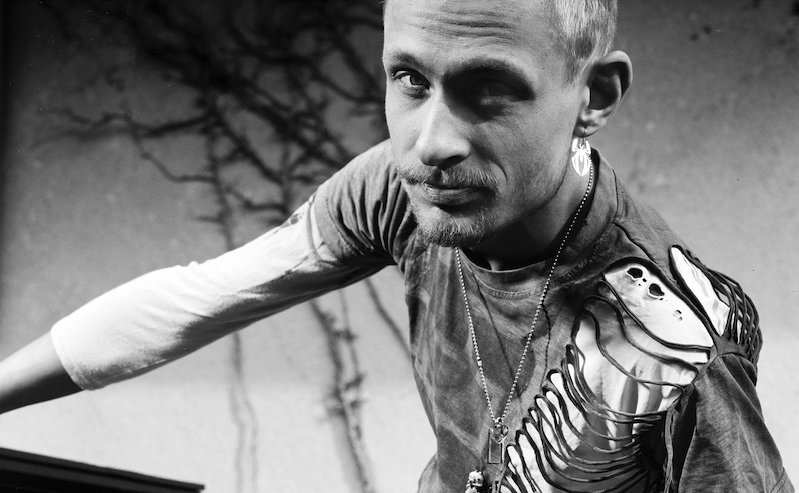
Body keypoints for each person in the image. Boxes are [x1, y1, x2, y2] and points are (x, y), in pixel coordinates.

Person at [0, 0, 792, 491]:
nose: (431, 142)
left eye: (488, 89)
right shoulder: (401, 187)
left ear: (594, 95)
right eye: (411, 80)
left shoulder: (677, 347)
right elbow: (197, 298)